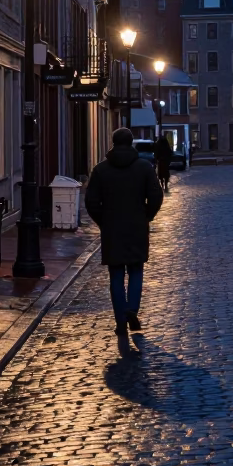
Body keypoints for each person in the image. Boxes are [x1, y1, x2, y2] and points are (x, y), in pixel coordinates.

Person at [85, 128, 164, 335]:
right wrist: (147, 215)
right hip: (137, 225)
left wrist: (103, 221)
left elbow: (91, 201)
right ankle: (132, 309)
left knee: (116, 274)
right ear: (131, 143)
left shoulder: (101, 170)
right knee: (136, 270)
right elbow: (156, 195)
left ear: (113, 142)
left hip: (112, 227)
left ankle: (121, 320)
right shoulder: (144, 168)